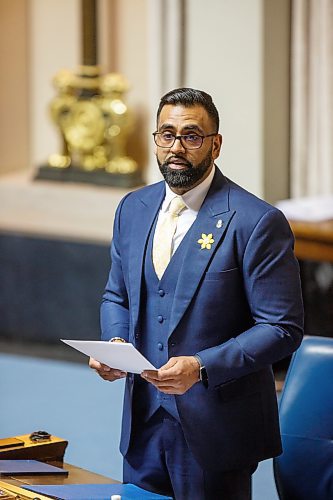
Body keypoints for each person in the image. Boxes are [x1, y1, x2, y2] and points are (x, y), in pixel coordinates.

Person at [89, 88, 304, 500]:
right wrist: (116, 343)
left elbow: (282, 328)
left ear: (215, 145)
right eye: (166, 134)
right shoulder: (132, 208)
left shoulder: (256, 221)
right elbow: (116, 295)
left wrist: (201, 366)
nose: (176, 147)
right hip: (142, 422)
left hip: (216, 426)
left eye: (191, 136)